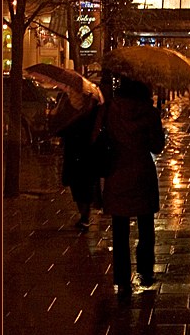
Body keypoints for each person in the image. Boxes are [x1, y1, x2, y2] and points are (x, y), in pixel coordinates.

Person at [102, 76, 166, 299]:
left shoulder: (110, 110)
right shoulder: (149, 113)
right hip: (142, 173)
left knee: (120, 231)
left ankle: (122, 278)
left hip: (117, 171)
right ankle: (145, 271)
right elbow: (157, 146)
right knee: (146, 226)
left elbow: (104, 138)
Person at [51, 93, 102, 232]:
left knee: (80, 184)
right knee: (82, 184)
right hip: (84, 151)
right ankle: (84, 214)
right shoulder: (88, 108)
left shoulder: (82, 109)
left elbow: (61, 128)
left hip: (78, 151)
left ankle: (84, 215)